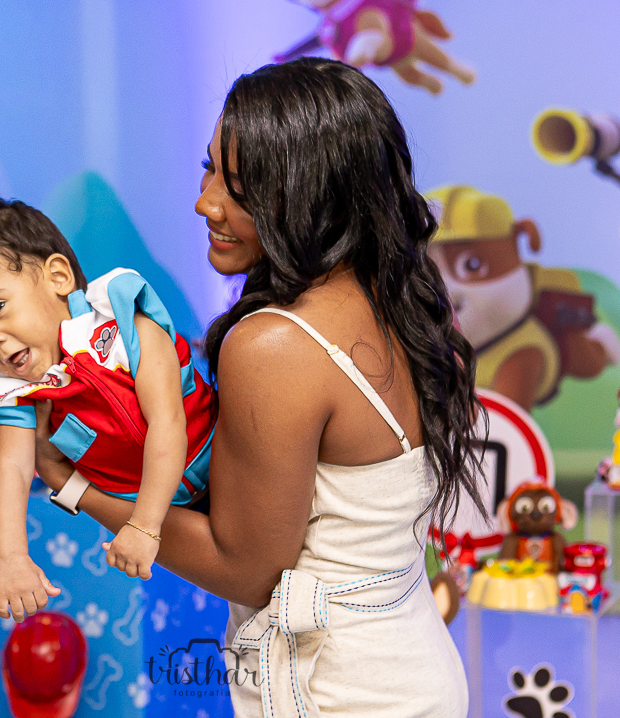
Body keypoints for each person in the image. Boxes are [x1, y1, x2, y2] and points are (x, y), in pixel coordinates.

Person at [31, 57, 485, 717]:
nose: (206, 202)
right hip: (414, 669)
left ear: (315, 197)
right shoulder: (397, 306)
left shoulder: (274, 345)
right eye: (209, 168)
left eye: (240, 189)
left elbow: (245, 568)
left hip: (340, 695)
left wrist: (73, 484)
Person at [0, 199, 216, 621]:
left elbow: (168, 422)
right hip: (173, 518)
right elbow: (13, 470)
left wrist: (145, 525)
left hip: (226, 469)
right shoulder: (20, 390)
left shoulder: (125, 326)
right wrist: (13, 559)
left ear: (58, 276)